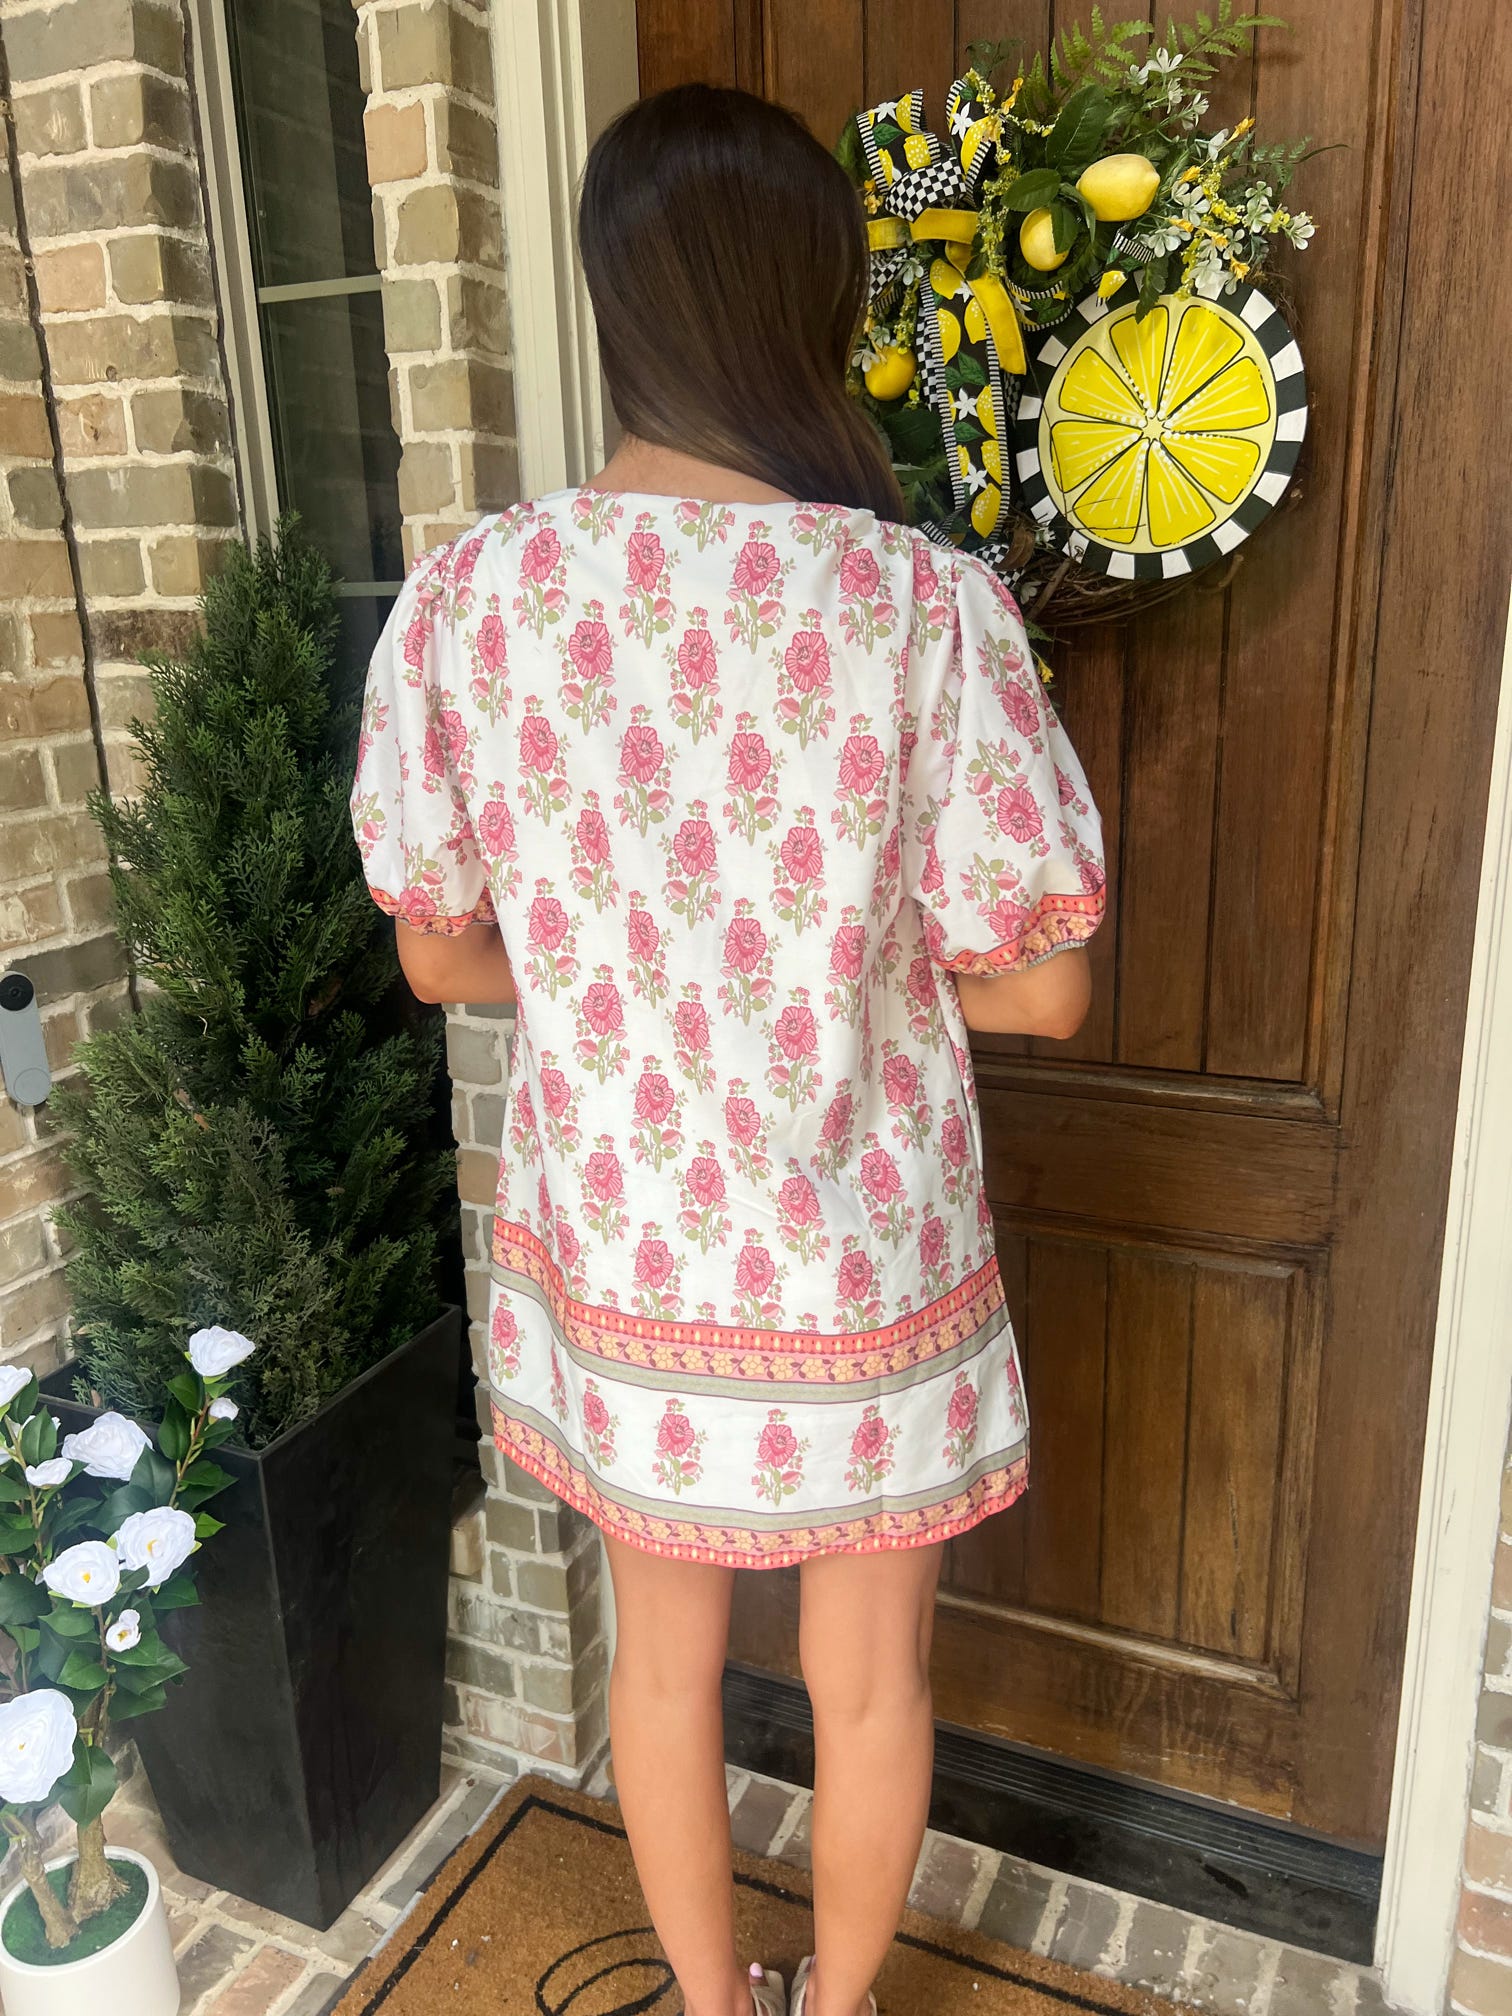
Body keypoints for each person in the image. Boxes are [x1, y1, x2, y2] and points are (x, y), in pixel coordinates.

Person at [351, 81, 1104, 2016]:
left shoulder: (474, 601)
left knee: (661, 1676)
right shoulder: (921, 609)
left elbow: (442, 961)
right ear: (812, 308)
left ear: (615, 301)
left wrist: (634, 964)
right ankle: (833, 2011)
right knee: (871, 1690)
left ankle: (710, 2012)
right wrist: (828, 974)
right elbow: (1043, 988)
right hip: (864, 1272)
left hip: (629, 1263)